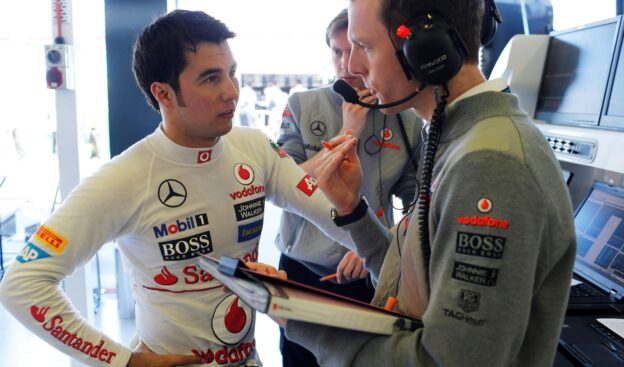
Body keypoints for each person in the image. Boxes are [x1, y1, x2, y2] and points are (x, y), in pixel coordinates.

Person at [0, 10, 364, 367]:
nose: (231, 92)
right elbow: (22, 284)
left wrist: (383, 255)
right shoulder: (122, 178)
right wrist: (122, 361)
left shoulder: (254, 148)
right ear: (164, 93)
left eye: (231, 73)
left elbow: (339, 221)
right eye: (210, 79)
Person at [281, 0, 577, 366]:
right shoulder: (457, 137)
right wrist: (352, 211)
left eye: (366, 46)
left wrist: (299, 319)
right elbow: (415, 277)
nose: (353, 67)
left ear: (427, 48)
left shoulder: (489, 164)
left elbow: (445, 361)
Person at [275, 8, 421, 367]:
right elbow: (283, 180)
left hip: (370, 273)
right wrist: (347, 134)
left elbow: (421, 200)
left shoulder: (404, 116)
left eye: (356, 50)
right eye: (337, 52)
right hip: (304, 269)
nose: (348, 64)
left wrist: (381, 236)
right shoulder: (301, 105)